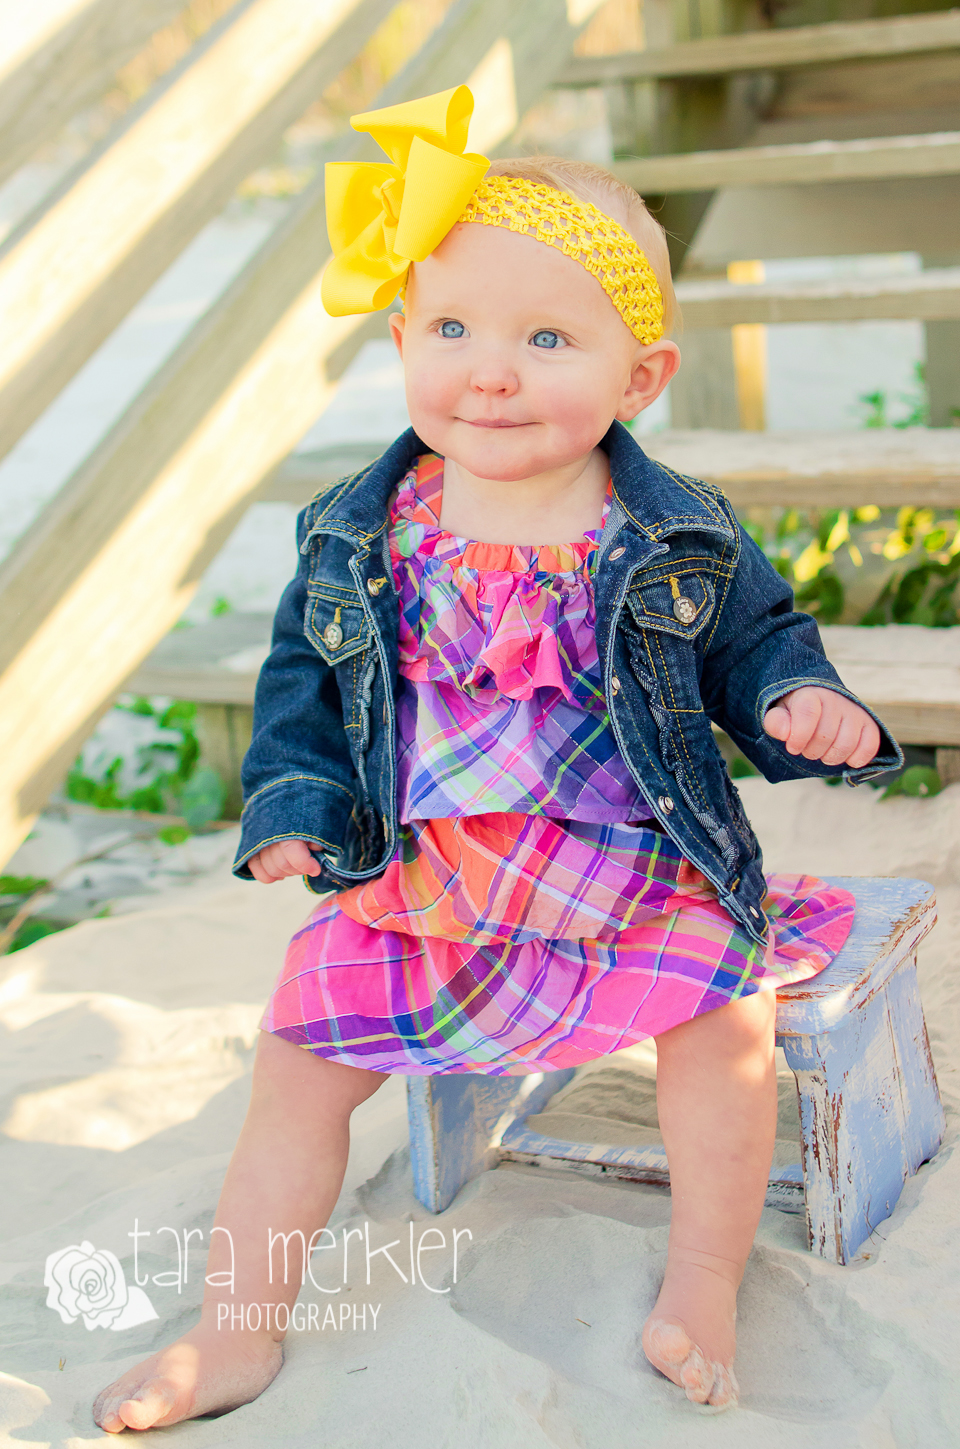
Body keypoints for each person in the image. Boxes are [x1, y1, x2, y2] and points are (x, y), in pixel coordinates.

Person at [93, 86, 900, 1432]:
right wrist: (300, 802)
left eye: (546, 336)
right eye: (452, 328)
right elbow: (301, 678)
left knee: (727, 1024)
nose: (493, 369)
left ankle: (700, 1279)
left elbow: (761, 641)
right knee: (294, 1056)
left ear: (642, 374)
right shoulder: (365, 534)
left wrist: (805, 700)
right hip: (427, 894)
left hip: (635, 885)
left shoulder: (669, 532)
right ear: (401, 333)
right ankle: (235, 1326)